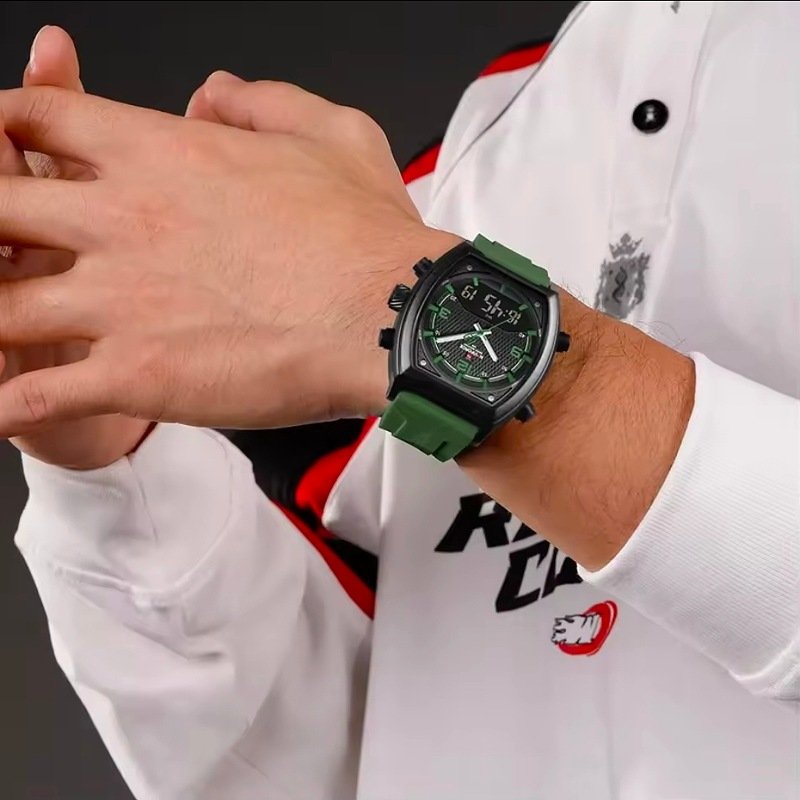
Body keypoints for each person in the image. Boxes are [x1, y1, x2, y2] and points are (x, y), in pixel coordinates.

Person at [1, 3, 798, 798]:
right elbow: (349, 757)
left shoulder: (389, 221)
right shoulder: (463, 158)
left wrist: (399, 295)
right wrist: (117, 466)